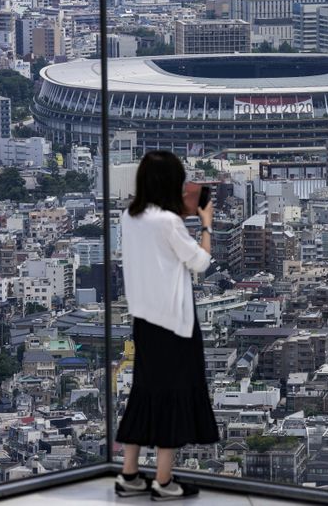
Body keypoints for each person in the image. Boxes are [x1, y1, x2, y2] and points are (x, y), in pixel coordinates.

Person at [114, 151, 219, 501]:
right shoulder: (168, 223)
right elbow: (200, 262)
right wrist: (205, 223)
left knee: (144, 393)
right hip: (174, 320)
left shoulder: (129, 215)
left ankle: (129, 475)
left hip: (143, 318)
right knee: (173, 395)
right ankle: (163, 480)